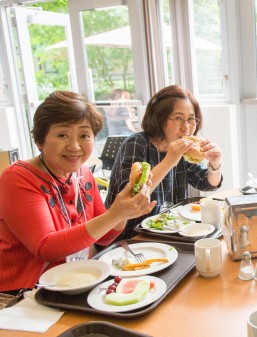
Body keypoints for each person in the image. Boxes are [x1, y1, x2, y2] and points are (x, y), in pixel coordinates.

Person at [0, 91, 156, 294]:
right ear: (40, 140)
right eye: (62, 135)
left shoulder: (82, 174)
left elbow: (104, 237)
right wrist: (114, 214)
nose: (74, 146)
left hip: (78, 282)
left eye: (84, 135)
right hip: (25, 294)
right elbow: (45, 248)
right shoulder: (18, 178)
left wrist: (123, 213)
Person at [105, 84, 223, 240]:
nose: (186, 127)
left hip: (171, 233)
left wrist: (215, 164)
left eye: (190, 119)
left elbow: (207, 183)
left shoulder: (182, 147)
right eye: (178, 119)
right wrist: (169, 161)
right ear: (159, 118)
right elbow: (132, 197)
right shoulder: (136, 144)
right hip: (131, 238)